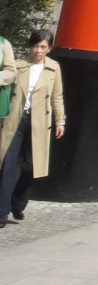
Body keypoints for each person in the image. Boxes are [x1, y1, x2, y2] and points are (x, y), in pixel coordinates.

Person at [0, 29, 65, 228]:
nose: (38, 50)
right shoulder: (19, 65)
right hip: (15, 118)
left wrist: (60, 121)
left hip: (39, 121)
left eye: (43, 46)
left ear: (49, 48)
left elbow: (57, 96)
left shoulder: (53, 68)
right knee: (7, 164)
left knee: (32, 165)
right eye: (35, 46)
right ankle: (1, 213)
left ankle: (18, 202)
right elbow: (6, 91)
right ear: (30, 46)